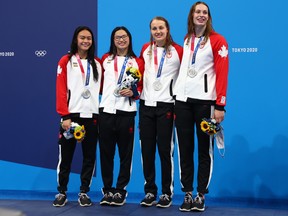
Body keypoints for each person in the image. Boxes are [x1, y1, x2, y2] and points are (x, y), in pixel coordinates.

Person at [173, 1, 229, 212]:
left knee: (205, 150)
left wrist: (220, 105)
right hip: (183, 102)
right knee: (184, 149)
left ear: (209, 16)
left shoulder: (218, 40)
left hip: (206, 103)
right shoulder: (187, 40)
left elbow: (222, 73)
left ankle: (200, 194)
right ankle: (187, 193)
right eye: (198, 11)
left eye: (205, 12)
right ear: (192, 15)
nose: (201, 15)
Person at [53, 26, 102, 207]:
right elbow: (60, 89)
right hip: (70, 117)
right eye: (82, 38)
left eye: (89, 38)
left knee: (89, 156)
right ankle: (61, 192)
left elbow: (101, 89)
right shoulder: (65, 60)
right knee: (65, 156)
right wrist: (64, 115)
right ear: (76, 39)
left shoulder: (97, 63)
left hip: (92, 117)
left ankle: (84, 192)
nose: (86, 41)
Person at [139, 16, 183, 208]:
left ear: (167, 29)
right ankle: (150, 191)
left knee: (165, 151)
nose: (157, 32)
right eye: (154, 28)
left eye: (161, 28)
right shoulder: (144, 50)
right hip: (146, 105)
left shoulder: (179, 51)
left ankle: (166, 193)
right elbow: (139, 75)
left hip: (166, 105)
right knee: (146, 151)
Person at [99, 26, 144, 206]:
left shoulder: (137, 61)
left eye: (124, 37)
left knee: (125, 154)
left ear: (129, 39)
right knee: (106, 153)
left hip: (127, 112)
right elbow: (99, 84)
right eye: (117, 37)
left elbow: (141, 87)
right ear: (113, 40)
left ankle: (120, 190)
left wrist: (133, 93)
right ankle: (107, 189)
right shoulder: (105, 59)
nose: (121, 40)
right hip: (106, 111)